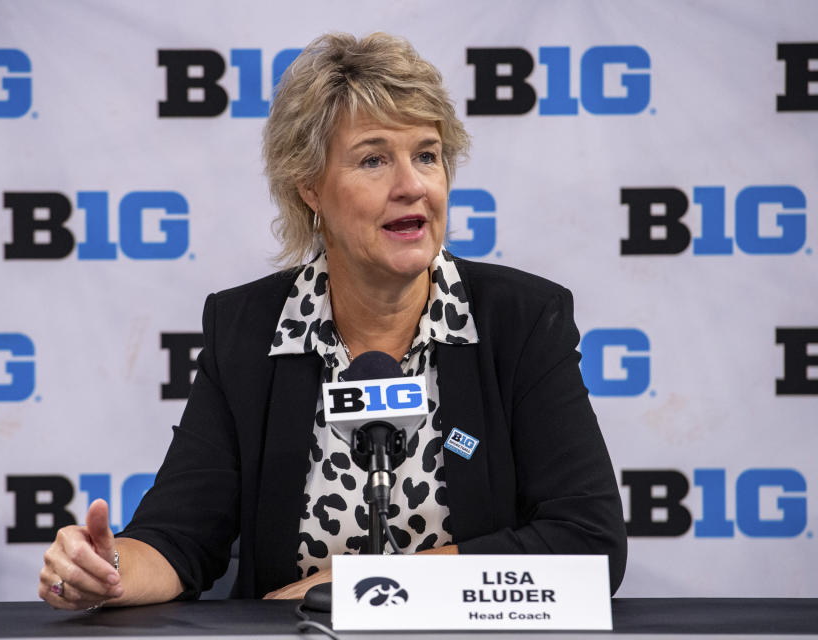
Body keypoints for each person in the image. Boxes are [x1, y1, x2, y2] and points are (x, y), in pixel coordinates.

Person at [38, 32, 627, 610]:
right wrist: (107, 570)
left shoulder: (518, 321)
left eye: (427, 155)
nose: (412, 186)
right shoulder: (248, 330)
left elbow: (589, 544)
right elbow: (177, 537)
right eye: (374, 159)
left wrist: (365, 586)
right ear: (310, 187)